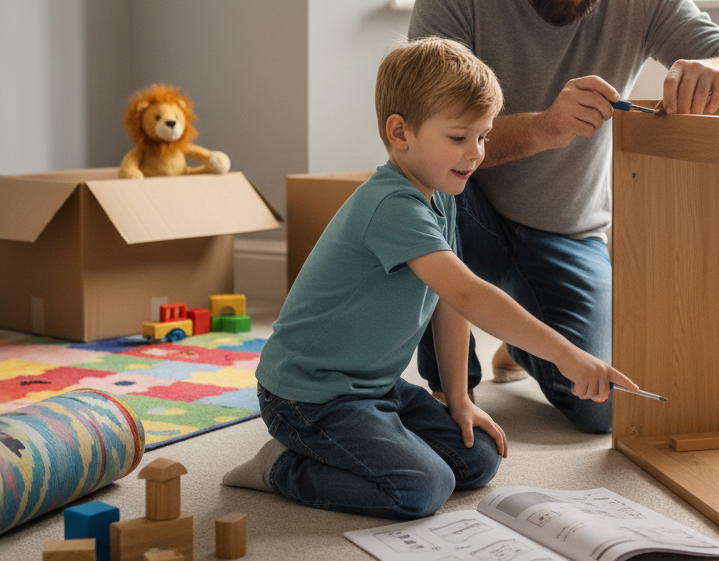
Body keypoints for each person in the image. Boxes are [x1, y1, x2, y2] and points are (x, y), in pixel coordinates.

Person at [409, 0, 719, 433]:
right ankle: (452, 393)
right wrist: (545, 128)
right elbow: (424, 143)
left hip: (564, 230)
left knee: (600, 407)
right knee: (426, 191)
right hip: (465, 203)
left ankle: (515, 333)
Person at [221, 37, 638, 520]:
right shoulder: (391, 206)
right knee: (422, 488)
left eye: (482, 136)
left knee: (478, 457)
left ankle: (374, 439)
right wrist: (566, 354)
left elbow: (450, 303)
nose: (477, 153)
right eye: (459, 137)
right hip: (308, 397)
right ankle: (280, 468)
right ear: (400, 132)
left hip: (373, 389)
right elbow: (469, 292)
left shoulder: (442, 194)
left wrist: (459, 399)